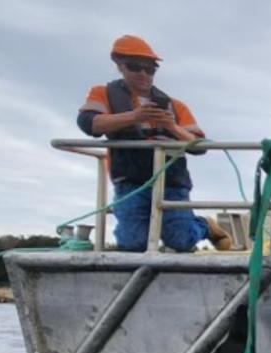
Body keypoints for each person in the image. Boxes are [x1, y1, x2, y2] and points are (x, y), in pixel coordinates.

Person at [77, 35, 232, 253]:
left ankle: (205, 226)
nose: (143, 74)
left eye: (150, 69)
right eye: (135, 67)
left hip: (172, 182)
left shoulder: (176, 106)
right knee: (132, 244)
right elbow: (88, 124)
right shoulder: (103, 94)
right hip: (130, 181)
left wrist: (171, 127)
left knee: (180, 240)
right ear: (119, 66)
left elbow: (200, 146)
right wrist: (134, 117)